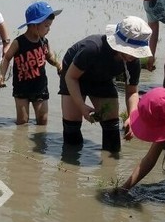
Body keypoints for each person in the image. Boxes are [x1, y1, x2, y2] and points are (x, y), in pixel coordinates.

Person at [60, 16, 152, 153]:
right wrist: (81, 105)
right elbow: (71, 77)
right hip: (74, 77)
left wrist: (132, 117)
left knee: (112, 129)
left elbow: (132, 91)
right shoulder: (92, 48)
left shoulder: (133, 62)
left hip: (103, 79)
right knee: (72, 130)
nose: (133, 56)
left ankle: (110, 168)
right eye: (131, 51)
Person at [0, 1, 62, 125]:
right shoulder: (18, 42)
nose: (49, 29)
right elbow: (6, 58)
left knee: (42, 120)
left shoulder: (44, 41)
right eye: (46, 26)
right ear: (34, 25)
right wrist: (2, 75)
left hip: (40, 86)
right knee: (22, 121)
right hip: (21, 87)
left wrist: (58, 64)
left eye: (49, 26)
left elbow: (50, 56)